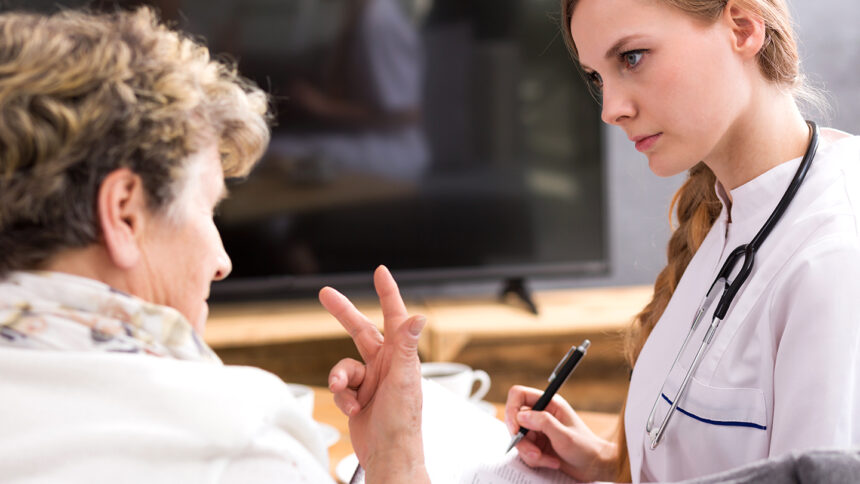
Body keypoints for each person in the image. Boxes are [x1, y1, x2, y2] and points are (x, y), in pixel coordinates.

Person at [0, 7, 429, 483]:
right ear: (124, 213)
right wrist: (398, 459)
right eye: (207, 208)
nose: (222, 261)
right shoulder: (239, 442)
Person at [500, 0, 860, 482]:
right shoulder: (727, 213)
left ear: (742, 28)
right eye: (597, 77)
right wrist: (609, 463)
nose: (610, 109)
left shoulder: (836, 260)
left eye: (632, 57)